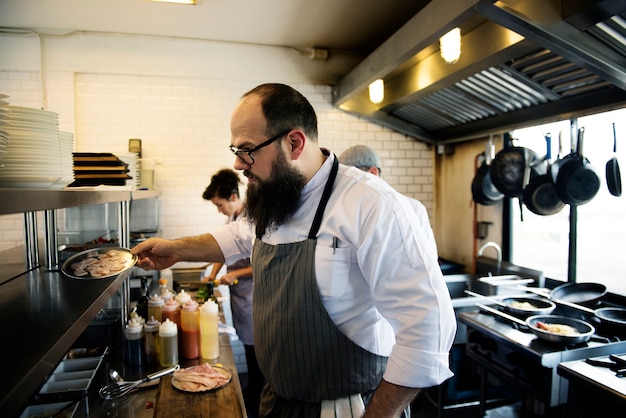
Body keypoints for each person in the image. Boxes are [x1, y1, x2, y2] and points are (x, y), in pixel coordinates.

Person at [132, 83, 456, 418]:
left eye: (246, 150)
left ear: (294, 143)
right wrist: (175, 249)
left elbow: (427, 330)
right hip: (279, 402)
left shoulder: (371, 205)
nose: (239, 164)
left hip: (346, 408)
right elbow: (236, 238)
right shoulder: (275, 198)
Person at [202, 168, 264, 418]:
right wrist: (213, 273)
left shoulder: (252, 217)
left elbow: (261, 261)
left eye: (219, 204)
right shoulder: (233, 219)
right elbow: (224, 250)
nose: (219, 210)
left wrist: (234, 275)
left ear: (233, 196)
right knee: (248, 344)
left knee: (255, 349)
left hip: (252, 295)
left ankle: (256, 400)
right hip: (240, 298)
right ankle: (252, 392)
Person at [338, 144, 436, 246]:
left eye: (351, 177)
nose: (346, 184)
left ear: (373, 173)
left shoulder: (413, 208)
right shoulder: (343, 211)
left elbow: (429, 257)